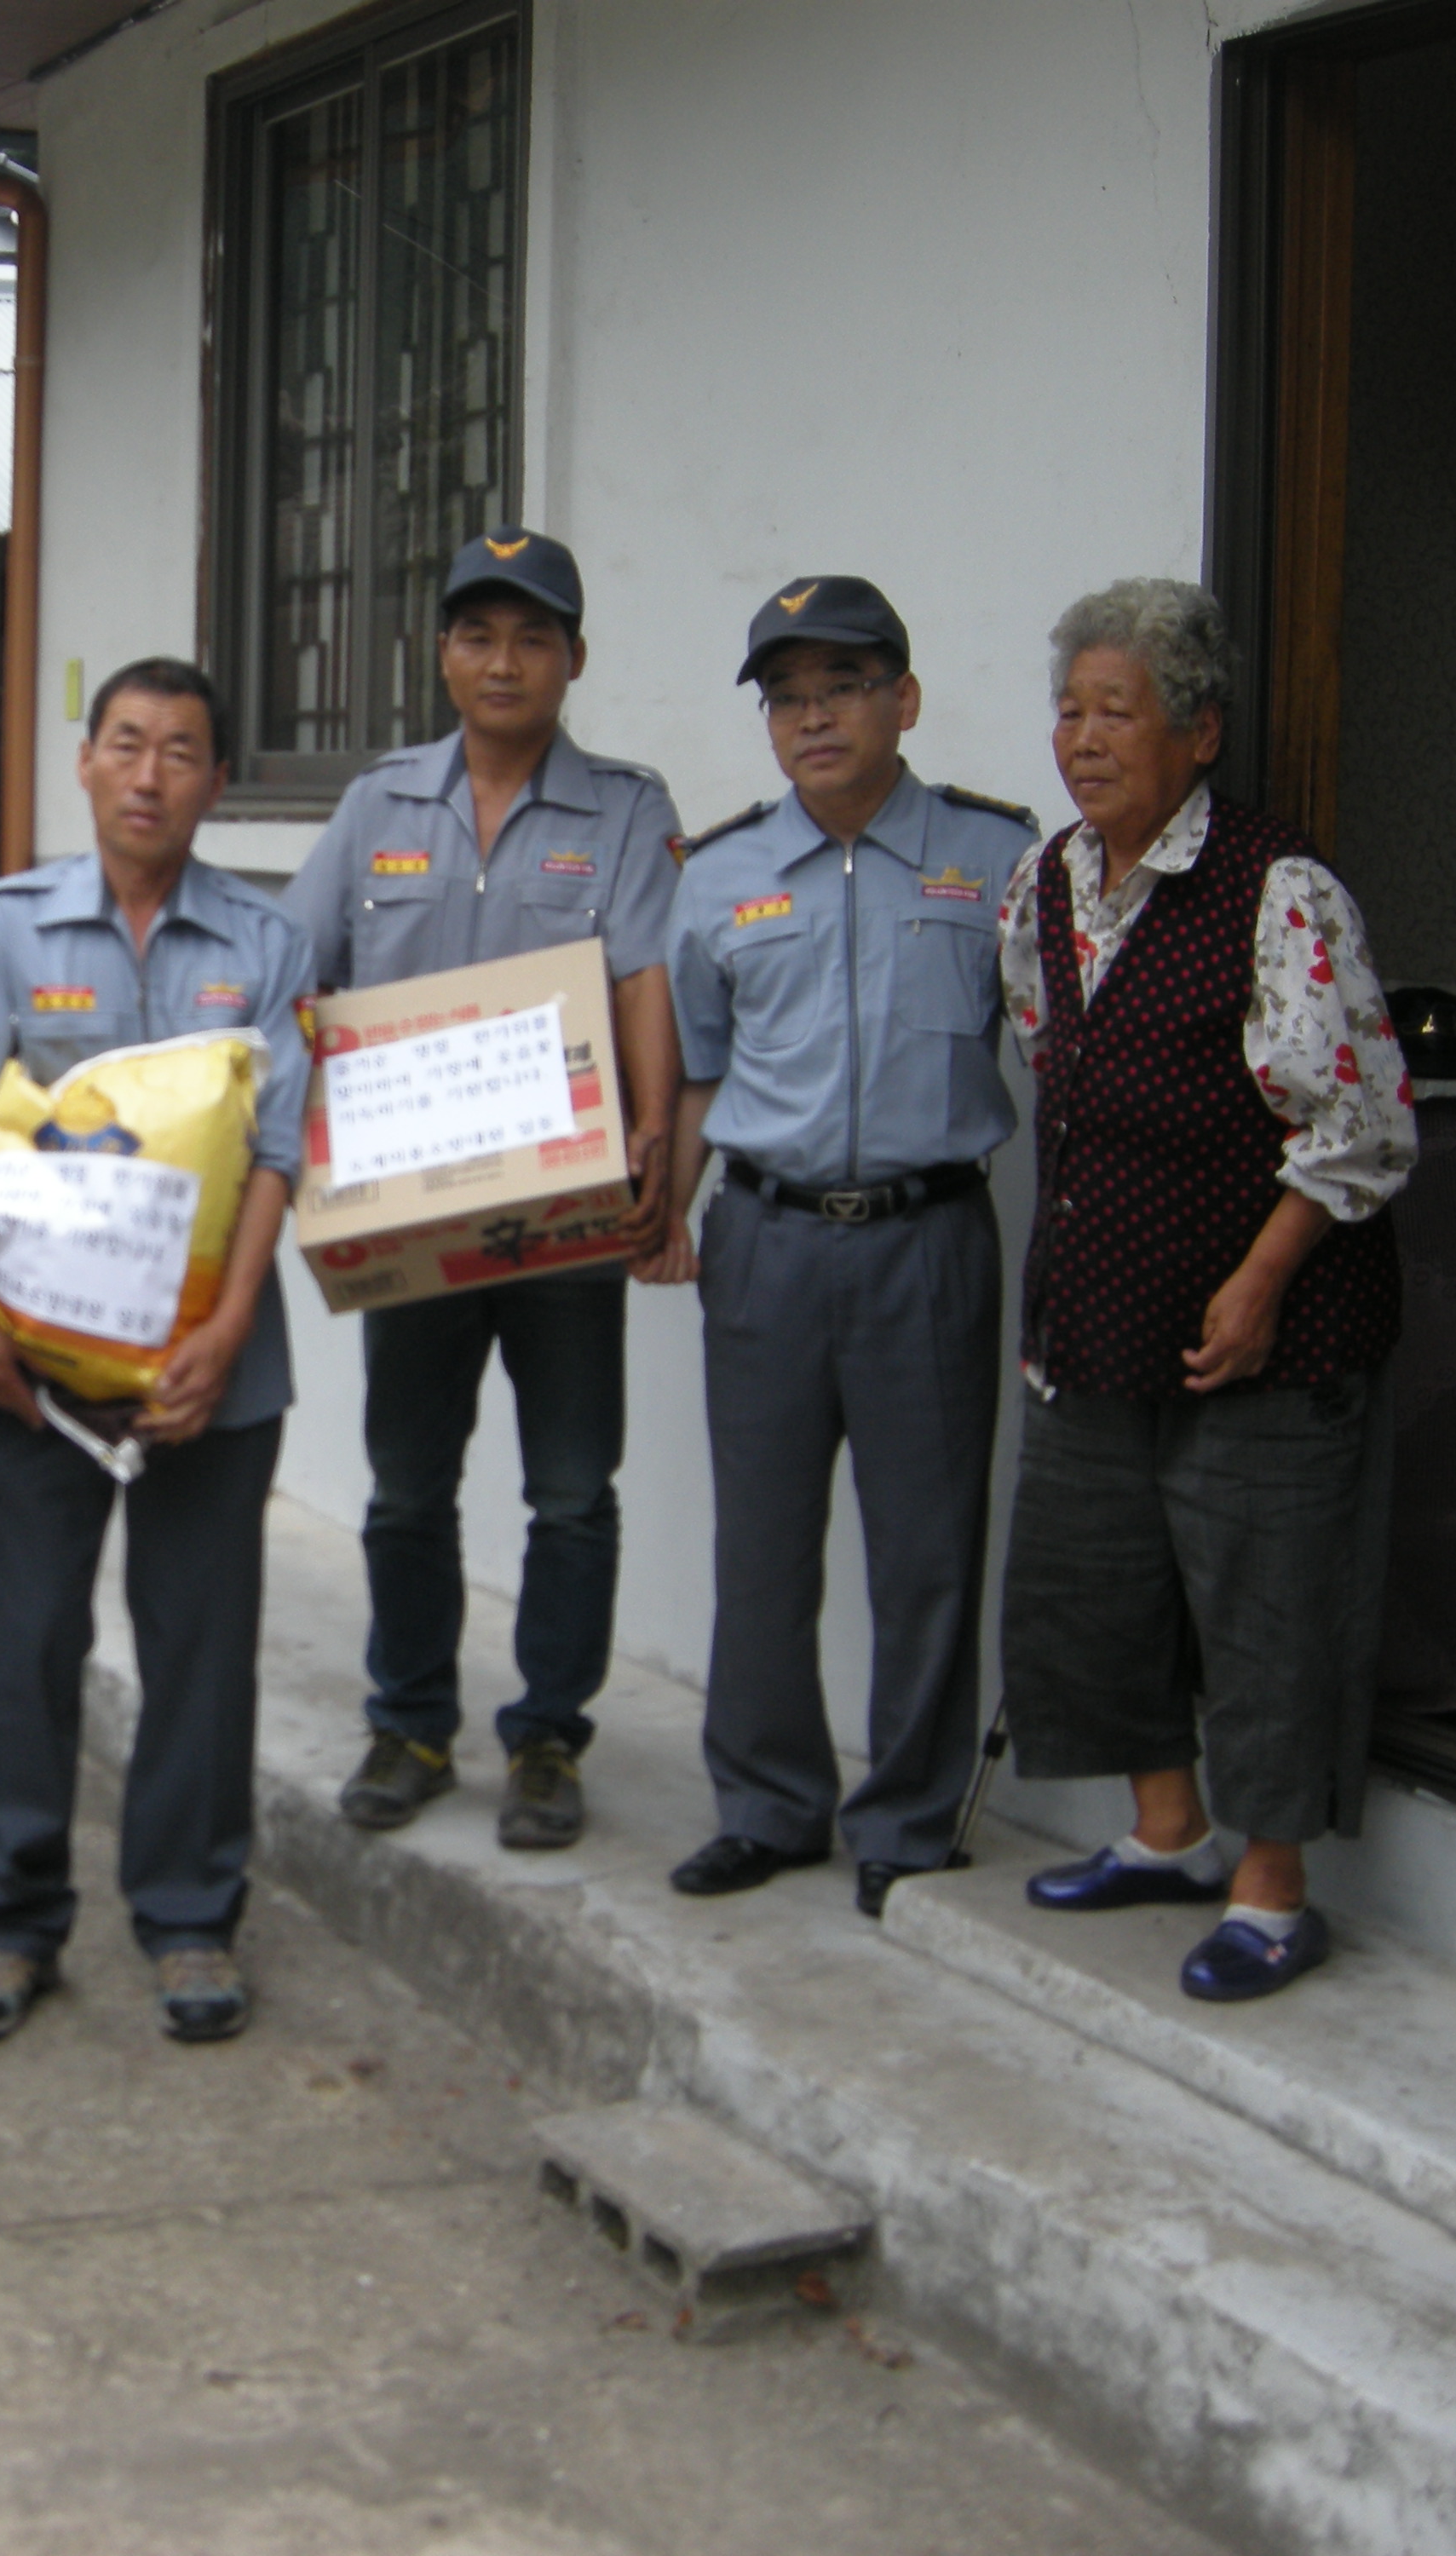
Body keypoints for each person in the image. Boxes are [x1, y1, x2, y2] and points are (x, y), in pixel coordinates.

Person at [993, 578, 1413, 2001]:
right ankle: (1166, 1831)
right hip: (1098, 1311)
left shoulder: (1277, 890)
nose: (1084, 738)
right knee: (1095, 1582)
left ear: (1200, 732)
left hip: (1265, 1328)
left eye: (1118, 711)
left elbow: (1361, 1120)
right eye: (1070, 710)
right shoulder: (1047, 882)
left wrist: (1261, 1280)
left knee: (1266, 1605)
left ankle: (1272, 1892)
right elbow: (1057, 1063)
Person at [0, 657, 314, 2046]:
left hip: (213, 1372)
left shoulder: (264, 941)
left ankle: (191, 1918)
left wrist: (228, 1324)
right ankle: (12, 1921)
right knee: (21, 1646)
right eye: (127, 744)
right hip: (35, 1375)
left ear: (218, 783)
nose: (150, 776)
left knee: (199, 1652)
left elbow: (278, 1152)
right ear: (84, 761)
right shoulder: (6, 927)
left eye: (182, 752)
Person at [280, 527, 686, 1854]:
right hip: (410, 1221)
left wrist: (652, 1137)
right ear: (444, 655)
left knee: (572, 1490)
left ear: (575, 659)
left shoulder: (624, 809)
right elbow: (299, 975)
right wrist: (311, 1132)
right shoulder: (376, 806)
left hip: (565, 1217)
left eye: (531, 639)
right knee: (407, 1488)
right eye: (477, 635)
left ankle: (549, 1740)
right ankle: (408, 1724)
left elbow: (644, 978)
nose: (503, 662)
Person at [656, 575, 1034, 1920]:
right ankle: (767, 1806)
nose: (813, 719)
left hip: (929, 1244)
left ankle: (910, 1821)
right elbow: (698, 1069)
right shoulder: (718, 875)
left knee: (927, 1551)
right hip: (764, 1243)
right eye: (788, 698)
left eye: (843, 689)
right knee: (762, 1548)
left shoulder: (999, 859)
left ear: (904, 700)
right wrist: (667, 1212)